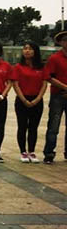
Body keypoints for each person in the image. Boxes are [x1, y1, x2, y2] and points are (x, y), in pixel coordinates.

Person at [11, 42, 47, 163]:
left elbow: (44, 84)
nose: (27, 51)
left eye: (30, 49)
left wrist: (37, 99)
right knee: (22, 126)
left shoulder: (41, 67)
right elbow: (15, 84)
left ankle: (31, 151)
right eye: (25, 48)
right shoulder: (18, 67)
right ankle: (23, 152)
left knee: (33, 127)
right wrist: (24, 100)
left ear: (35, 51)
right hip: (22, 100)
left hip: (37, 100)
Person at [43, 30, 67, 164]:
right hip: (58, 95)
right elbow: (48, 77)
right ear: (61, 42)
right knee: (54, 125)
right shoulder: (54, 58)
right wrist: (65, 87)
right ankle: (49, 153)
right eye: (65, 40)